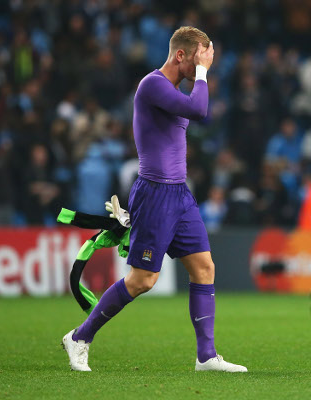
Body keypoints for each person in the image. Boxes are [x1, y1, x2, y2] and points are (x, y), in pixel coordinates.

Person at [62, 26, 247, 372]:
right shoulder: (153, 85)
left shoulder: (173, 89)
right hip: (155, 193)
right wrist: (203, 73)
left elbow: (197, 106)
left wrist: (202, 69)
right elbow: (201, 111)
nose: (204, 66)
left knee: (204, 268)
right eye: (199, 58)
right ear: (181, 55)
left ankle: (206, 356)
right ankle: (79, 337)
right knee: (143, 280)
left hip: (179, 194)